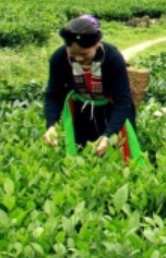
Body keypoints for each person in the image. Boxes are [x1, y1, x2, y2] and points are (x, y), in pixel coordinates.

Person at [42, 15, 143, 163]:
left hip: (112, 110)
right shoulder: (59, 58)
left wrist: (109, 134)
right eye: (73, 54)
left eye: (84, 54)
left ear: (96, 44)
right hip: (82, 111)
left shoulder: (112, 58)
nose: (78, 59)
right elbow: (53, 95)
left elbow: (123, 100)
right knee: (84, 153)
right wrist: (51, 125)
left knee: (118, 157)